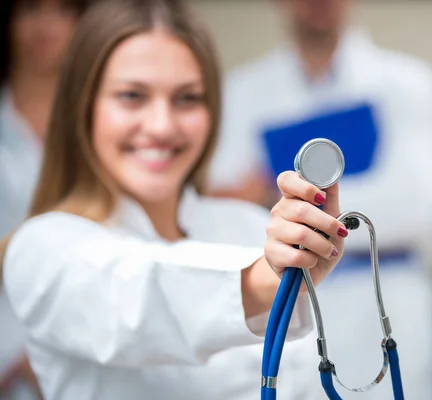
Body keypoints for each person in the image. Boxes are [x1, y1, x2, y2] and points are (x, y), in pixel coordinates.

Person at [0, 0, 352, 398]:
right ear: (83, 108)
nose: (162, 125)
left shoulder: (249, 226)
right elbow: (138, 303)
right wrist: (266, 279)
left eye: (187, 98)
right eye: (132, 96)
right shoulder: (41, 249)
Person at [208, 0, 432, 398]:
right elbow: (225, 211)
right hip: (295, 307)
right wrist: (360, 194)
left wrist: (273, 191)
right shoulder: (242, 91)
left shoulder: (410, 83)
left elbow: (418, 208)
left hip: (388, 298)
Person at [0, 0, 92, 398]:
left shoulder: (106, 121)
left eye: (62, 9)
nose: (46, 25)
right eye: (31, 9)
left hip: (87, 333)